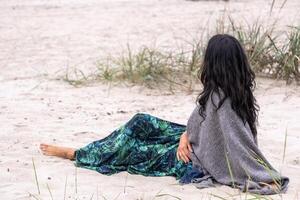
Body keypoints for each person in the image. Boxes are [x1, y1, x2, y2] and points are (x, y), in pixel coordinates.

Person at [40, 34, 289, 195]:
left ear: (214, 64)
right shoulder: (229, 91)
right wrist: (185, 135)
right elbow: (202, 126)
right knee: (141, 122)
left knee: (135, 151)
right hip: (192, 142)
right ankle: (87, 151)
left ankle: (78, 154)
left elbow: (238, 146)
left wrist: (264, 176)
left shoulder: (220, 100)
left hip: (193, 161)